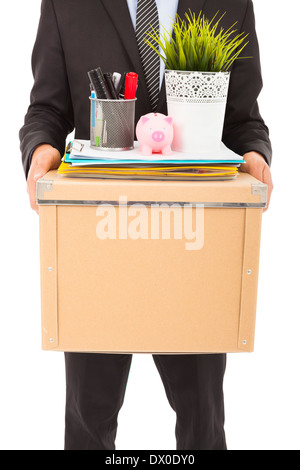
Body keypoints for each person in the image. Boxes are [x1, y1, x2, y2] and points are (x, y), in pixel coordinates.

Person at [19, 0, 273, 451]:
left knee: (203, 421)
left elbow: (242, 121)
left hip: (196, 244)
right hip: (98, 240)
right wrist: (40, 153)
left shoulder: (230, 2)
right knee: (87, 421)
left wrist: (255, 156)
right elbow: (47, 110)